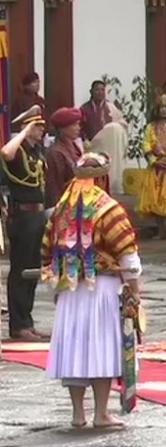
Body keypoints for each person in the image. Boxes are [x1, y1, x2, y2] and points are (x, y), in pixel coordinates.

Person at [43, 152, 142, 429]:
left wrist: (57, 283)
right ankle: (100, 413)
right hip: (101, 287)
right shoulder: (107, 208)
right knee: (99, 347)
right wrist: (134, 288)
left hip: (70, 289)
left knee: (75, 347)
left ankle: (78, 414)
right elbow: (127, 252)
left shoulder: (61, 208)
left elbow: (46, 250)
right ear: (101, 176)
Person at [1, 106, 48, 341]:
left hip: (37, 216)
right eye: (36, 126)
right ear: (26, 127)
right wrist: (22, 132)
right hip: (22, 217)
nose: (41, 130)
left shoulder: (36, 152)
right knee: (20, 271)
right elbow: (5, 153)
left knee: (33, 270)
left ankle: (27, 321)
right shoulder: (17, 150)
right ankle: (18, 325)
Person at [137, 95, 166, 239]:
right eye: (161, 108)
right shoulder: (151, 127)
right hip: (155, 167)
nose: (163, 111)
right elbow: (146, 144)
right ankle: (161, 230)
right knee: (155, 198)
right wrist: (154, 160)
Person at [79, 80, 128, 195]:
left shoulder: (111, 107)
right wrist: (85, 140)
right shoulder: (84, 109)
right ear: (91, 91)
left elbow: (122, 123)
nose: (100, 92)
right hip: (93, 146)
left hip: (110, 146)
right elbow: (80, 128)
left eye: (102, 90)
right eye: (97, 90)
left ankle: (112, 188)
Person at [45, 108, 84, 210]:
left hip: (78, 202)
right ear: (62, 129)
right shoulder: (55, 152)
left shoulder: (75, 146)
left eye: (78, 124)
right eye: (74, 125)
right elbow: (54, 187)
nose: (78, 128)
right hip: (64, 207)